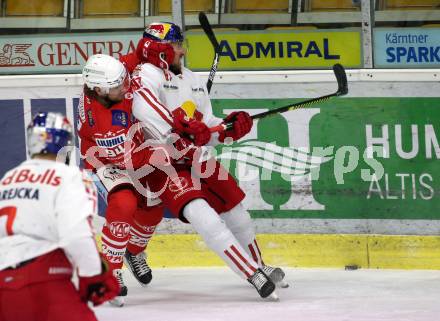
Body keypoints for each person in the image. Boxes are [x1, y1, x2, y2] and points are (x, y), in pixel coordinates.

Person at [131, 22, 287, 300]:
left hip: (196, 156)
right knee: (204, 217)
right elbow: (148, 114)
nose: (182, 50)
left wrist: (228, 129)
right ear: (161, 50)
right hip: (164, 162)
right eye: (177, 45)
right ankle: (253, 274)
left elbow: (206, 127)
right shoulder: (145, 75)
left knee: (237, 212)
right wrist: (184, 130)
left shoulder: (192, 79)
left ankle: (260, 264)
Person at [0, 112, 119, 321]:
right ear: (64, 141)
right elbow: (76, 236)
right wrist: (93, 276)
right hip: (43, 283)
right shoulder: (70, 176)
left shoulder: (9, 178)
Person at [79, 54, 164, 306]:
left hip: (133, 150)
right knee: (125, 203)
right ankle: (111, 270)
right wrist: (168, 150)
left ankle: (133, 251)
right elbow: (131, 161)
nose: (125, 88)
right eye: (119, 87)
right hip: (107, 159)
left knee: (153, 209)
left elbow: (137, 55)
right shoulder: (103, 122)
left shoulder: (107, 79)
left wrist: (153, 47)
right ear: (99, 90)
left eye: (123, 81)